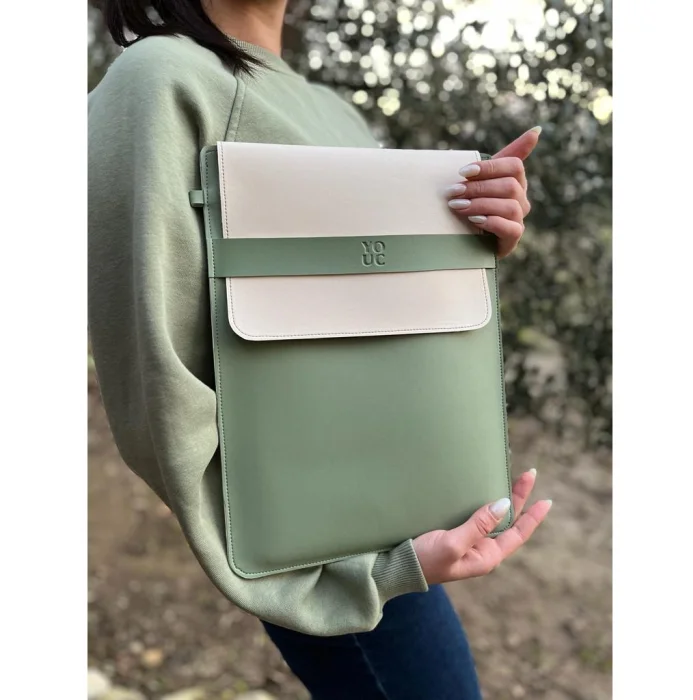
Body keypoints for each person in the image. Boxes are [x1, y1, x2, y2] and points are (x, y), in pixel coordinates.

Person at [88, 1, 552, 697]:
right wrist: (358, 580)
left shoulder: (334, 110)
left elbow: (372, 306)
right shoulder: (158, 77)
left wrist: (474, 238)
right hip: (326, 543)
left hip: (406, 498)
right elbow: (155, 390)